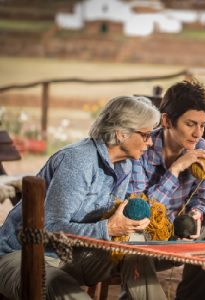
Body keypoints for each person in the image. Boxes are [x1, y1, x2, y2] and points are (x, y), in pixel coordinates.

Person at [0, 96, 167, 299]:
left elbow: (109, 223)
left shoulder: (125, 164)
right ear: (121, 134)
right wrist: (109, 228)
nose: (150, 142)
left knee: (137, 251)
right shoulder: (78, 161)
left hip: (70, 255)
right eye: (146, 135)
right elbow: (50, 228)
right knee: (56, 283)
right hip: (22, 255)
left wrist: (129, 225)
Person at [128, 80, 205, 300]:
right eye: (190, 124)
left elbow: (203, 194)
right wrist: (176, 168)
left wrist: (196, 214)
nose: (198, 133)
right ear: (167, 121)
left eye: (203, 125)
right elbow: (140, 211)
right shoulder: (141, 147)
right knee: (135, 242)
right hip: (142, 232)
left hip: (177, 231)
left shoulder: (200, 146)